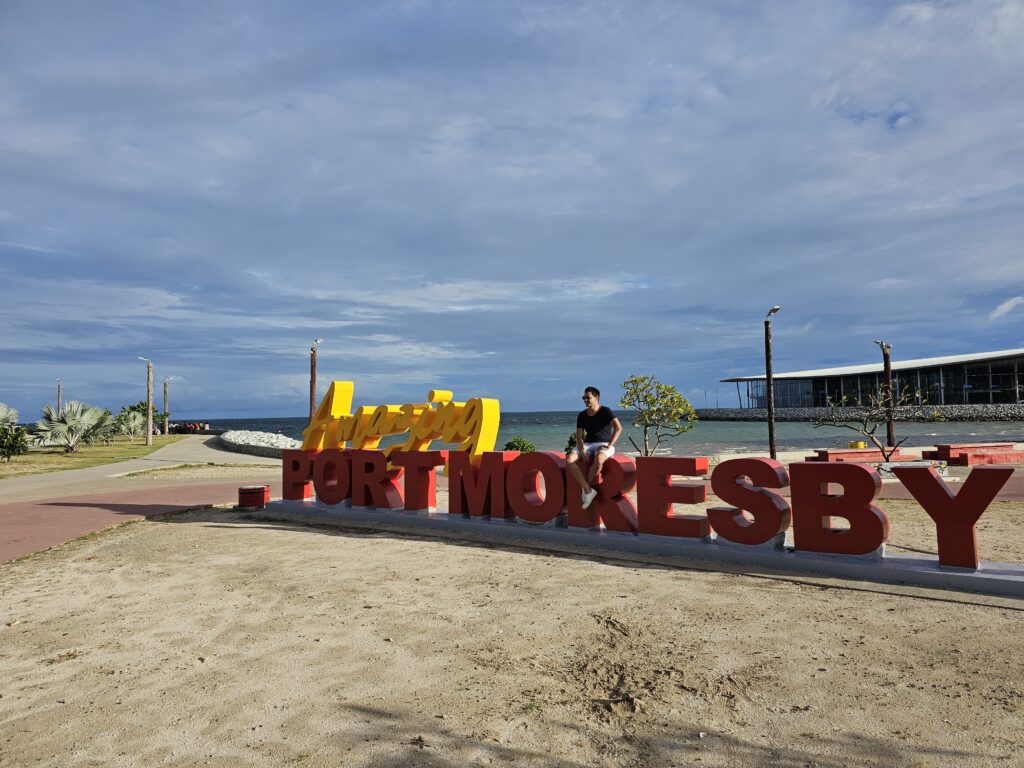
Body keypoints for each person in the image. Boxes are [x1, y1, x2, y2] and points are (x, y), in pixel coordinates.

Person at [566, 386, 622, 509]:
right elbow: (579, 436)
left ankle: (586, 488)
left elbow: (618, 428)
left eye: (588, 397)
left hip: (604, 443)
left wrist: (610, 445)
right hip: (587, 445)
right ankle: (587, 489)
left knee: (599, 459)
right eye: (583, 397)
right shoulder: (582, 415)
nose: (585, 400)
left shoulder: (606, 411)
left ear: (596, 397)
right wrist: (582, 452)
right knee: (570, 460)